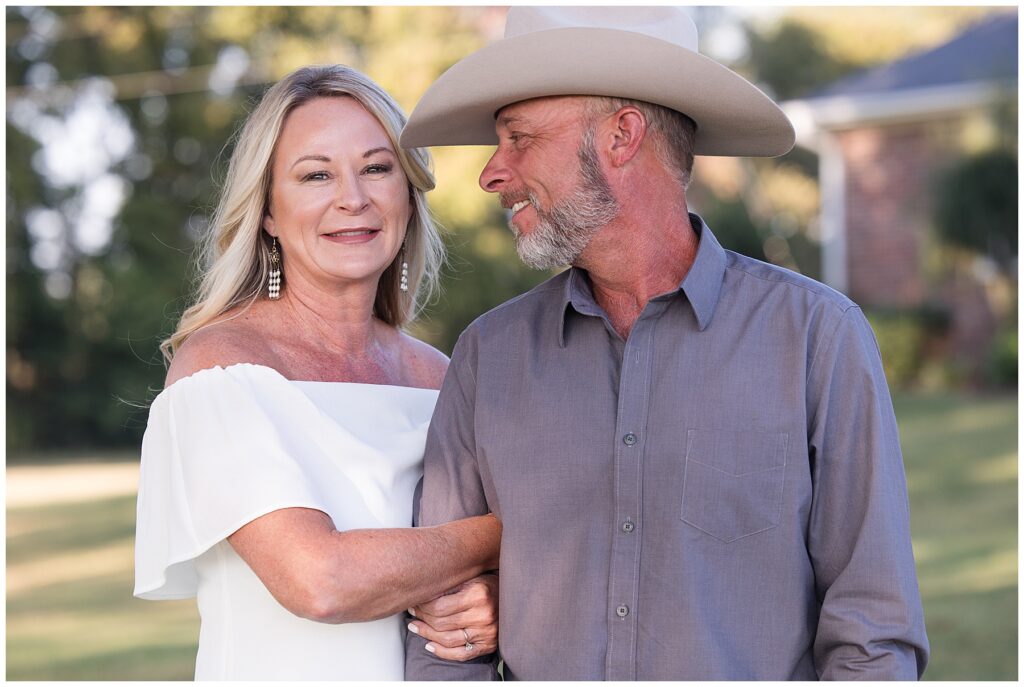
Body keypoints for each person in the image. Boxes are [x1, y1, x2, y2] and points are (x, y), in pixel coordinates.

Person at [400, 6, 929, 681]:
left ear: (622, 136)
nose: (491, 173)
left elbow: (873, 638)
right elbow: (439, 636)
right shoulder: (487, 358)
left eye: (520, 139)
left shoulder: (816, 339)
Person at [133, 64, 500, 680]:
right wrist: (505, 535)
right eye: (315, 175)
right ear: (268, 212)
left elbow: (494, 590)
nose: (352, 197)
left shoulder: (443, 378)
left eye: (378, 167)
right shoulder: (220, 368)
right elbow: (320, 581)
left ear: (408, 193)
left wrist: (494, 595)